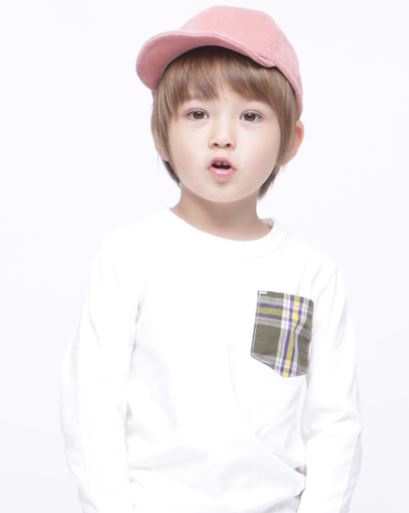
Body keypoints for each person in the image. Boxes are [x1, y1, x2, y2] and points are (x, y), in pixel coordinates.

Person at [59, 5, 362, 513]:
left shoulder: (311, 275)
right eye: (197, 114)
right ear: (161, 133)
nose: (223, 135)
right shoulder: (130, 256)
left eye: (250, 116)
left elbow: (334, 423)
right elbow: (92, 404)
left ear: (290, 141)